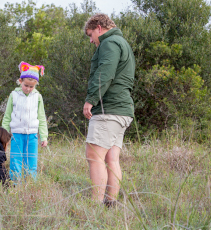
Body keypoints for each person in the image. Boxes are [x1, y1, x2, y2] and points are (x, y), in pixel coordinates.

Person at [83, 13, 135, 206]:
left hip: (109, 110)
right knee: (111, 158)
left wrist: (91, 100)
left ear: (99, 27)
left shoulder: (109, 43)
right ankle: (110, 203)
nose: (91, 40)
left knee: (93, 155)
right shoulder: (122, 42)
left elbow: (105, 72)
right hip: (122, 110)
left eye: (90, 35)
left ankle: (95, 206)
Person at [2, 61, 48, 182]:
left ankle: (30, 184)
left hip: (32, 135)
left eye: (31, 86)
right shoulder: (14, 95)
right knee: (15, 161)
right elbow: (7, 116)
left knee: (31, 162)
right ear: (20, 81)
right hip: (16, 134)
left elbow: (41, 117)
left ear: (35, 85)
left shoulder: (37, 96)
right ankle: (15, 184)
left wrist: (44, 136)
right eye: (26, 85)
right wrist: (4, 135)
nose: (28, 88)